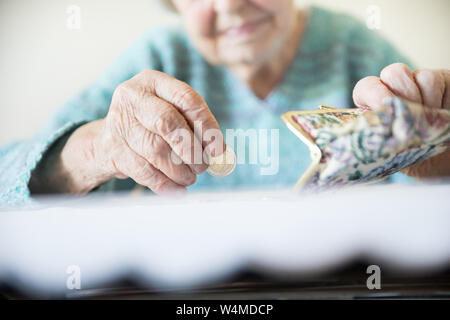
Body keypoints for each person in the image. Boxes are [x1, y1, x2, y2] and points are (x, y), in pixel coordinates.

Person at [1, 0, 448, 206]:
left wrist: (438, 159)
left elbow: (424, 196)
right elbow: (10, 183)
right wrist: (94, 151)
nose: (231, 5)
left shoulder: (355, 48)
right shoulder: (158, 59)